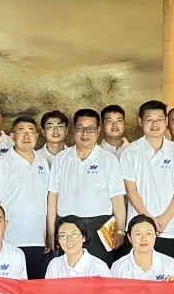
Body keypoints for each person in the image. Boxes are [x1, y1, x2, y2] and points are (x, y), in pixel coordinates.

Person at [46, 109, 126, 266]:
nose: (85, 133)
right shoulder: (61, 159)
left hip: (99, 229)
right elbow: (53, 197)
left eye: (90, 129)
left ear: (98, 131)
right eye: (80, 128)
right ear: (74, 130)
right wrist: (50, 231)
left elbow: (117, 198)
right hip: (68, 229)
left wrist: (121, 230)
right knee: (69, 273)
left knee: (99, 274)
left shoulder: (108, 160)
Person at [121, 100, 174, 271]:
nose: (155, 124)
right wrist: (149, 221)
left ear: (166, 121)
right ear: (140, 121)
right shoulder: (130, 152)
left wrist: (163, 220)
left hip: (171, 228)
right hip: (139, 229)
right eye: (149, 120)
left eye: (159, 119)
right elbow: (131, 190)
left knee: (171, 279)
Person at [0, 116, 49, 278]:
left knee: (34, 285)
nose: (27, 136)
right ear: (12, 136)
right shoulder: (3, 162)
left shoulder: (43, 162)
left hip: (38, 238)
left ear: (37, 136)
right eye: (21, 131)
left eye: (31, 131)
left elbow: (48, 201)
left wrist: (49, 234)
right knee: (11, 285)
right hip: (11, 239)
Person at [44, 215, 110, 278]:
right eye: (63, 235)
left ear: (83, 237)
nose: (69, 240)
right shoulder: (54, 265)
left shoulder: (98, 267)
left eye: (74, 234)